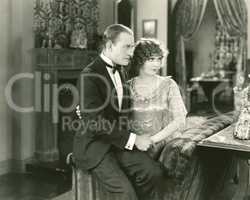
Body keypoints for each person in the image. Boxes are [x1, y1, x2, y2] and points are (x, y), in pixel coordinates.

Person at [73, 24, 165, 200]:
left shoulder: (121, 71)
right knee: (126, 194)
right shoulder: (89, 75)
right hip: (95, 146)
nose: (131, 52)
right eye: (127, 46)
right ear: (109, 46)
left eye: (132, 46)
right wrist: (134, 140)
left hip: (117, 143)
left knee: (154, 173)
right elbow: (95, 123)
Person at [128, 38, 187, 160]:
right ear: (139, 60)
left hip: (164, 147)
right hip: (136, 147)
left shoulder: (169, 84)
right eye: (151, 59)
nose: (156, 64)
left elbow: (179, 119)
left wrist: (152, 140)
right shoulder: (127, 86)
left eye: (159, 59)